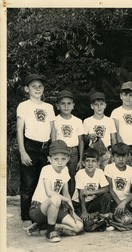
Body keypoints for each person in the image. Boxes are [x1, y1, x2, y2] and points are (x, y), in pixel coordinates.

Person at [17, 74, 55, 230]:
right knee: (28, 183)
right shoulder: (24, 106)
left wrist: (52, 150)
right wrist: (22, 151)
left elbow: (53, 130)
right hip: (30, 146)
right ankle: (26, 216)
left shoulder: (48, 107)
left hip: (45, 148)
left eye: (40, 86)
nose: (37, 89)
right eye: (34, 86)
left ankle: (41, 215)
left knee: (44, 182)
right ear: (27, 89)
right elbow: (20, 129)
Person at [28, 140, 83, 242]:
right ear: (49, 159)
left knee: (78, 227)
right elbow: (49, 192)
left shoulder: (65, 170)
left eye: (63, 159)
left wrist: (72, 212)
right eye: (56, 159)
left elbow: (66, 193)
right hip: (38, 208)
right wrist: (66, 201)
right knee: (55, 197)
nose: (60, 162)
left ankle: (45, 227)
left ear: (68, 159)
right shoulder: (46, 169)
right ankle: (50, 232)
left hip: (54, 209)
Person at [105, 143, 132, 225]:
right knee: (127, 220)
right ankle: (115, 216)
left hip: (127, 201)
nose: (121, 159)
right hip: (114, 201)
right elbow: (110, 189)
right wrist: (120, 204)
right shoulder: (109, 168)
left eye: (123, 156)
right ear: (113, 157)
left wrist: (124, 203)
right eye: (117, 156)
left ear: (128, 156)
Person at [71, 148, 112, 230]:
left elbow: (107, 188)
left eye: (93, 161)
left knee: (106, 196)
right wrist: (84, 212)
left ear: (98, 163)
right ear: (83, 163)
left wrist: (93, 192)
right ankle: (94, 219)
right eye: (87, 161)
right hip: (79, 204)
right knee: (87, 225)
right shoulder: (80, 173)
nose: (90, 164)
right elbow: (81, 194)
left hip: (91, 202)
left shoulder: (99, 172)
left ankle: (102, 217)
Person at [54, 90, 85, 197]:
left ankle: (71, 203)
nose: (66, 106)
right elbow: (53, 139)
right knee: (59, 177)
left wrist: (80, 159)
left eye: (69, 103)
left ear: (73, 106)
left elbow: (81, 140)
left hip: (73, 152)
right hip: (59, 152)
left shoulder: (78, 121)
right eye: (63, 104)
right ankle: (59, 202)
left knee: (72, 177)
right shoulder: (55, 120)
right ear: (58, 106)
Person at [83, 92, 117, 169]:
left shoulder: (110, 120)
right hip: (93, 153)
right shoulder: (87, 121)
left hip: (107, 153)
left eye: (101, 104)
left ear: (105, 105)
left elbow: (113, 138)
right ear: (92, 106)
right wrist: (88, 137)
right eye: (96, 104)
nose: (99, 107)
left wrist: (113, 154)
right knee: (95, 175)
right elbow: (83, 139)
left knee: (107, 173)